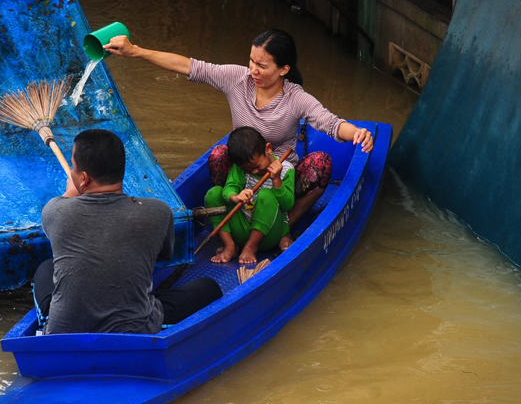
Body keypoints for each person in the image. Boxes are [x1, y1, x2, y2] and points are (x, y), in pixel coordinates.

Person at [105, 28, 373, 249]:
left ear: (284, 69)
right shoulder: (237, 79)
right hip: (242, 172)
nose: (253, 70)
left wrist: (357, 134)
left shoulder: (295, 98)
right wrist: (135, 51)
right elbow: (189, 66)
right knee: (219, 155)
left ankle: (284, 227)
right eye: (251, 61)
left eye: (262, 65)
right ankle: (232, 225)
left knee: (322, 164)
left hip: (280, 174)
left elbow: (330, 123)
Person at [31, 129, 221, 335]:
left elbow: (70, 207)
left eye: (74, 167)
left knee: (45, 268)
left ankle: (48, 323)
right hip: (136, 329)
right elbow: (164, 257)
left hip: (64, 331)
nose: (72, 172)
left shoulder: (54, 211)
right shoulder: (158, 211)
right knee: (208, 288)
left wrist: (72, 190)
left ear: (83, 178)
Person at [204, 127, 295, 264]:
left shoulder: (286, 169)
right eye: (249, 169)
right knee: (213, 194)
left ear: (268, 149)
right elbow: (228, 189)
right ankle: (230, 245)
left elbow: (287, 205)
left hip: (268, 235)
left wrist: (276, 180)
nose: (254, 171)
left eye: (258, 166)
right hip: (241, 231)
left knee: (266, 195)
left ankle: (251, 246)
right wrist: (235, 197)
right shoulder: (241, 168)